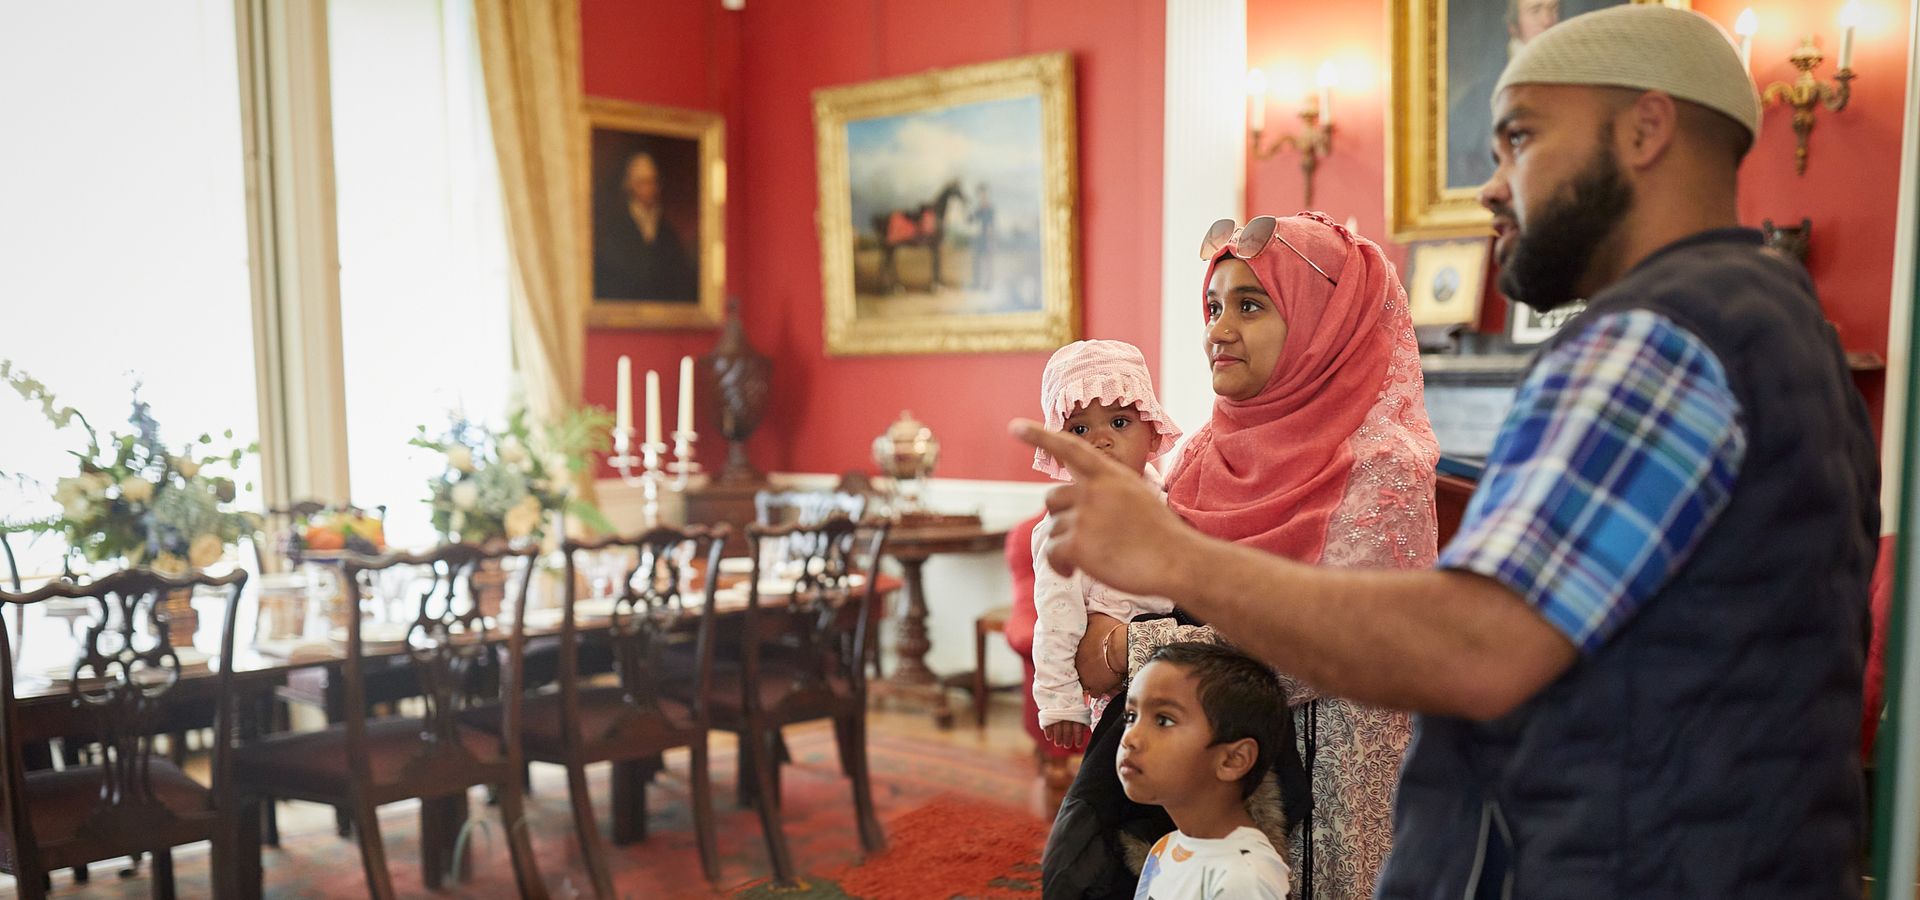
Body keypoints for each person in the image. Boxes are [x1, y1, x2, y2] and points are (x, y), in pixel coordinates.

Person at [1016, 6, 1878, 898]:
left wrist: (1167, 561)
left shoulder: (1657, 343)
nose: (1493, 186)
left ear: (1644, 129)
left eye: (1518, 138)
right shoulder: (1772, 316)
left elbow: (1475, 645)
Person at [1074, 212, 1435, 900]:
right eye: (1213, 306)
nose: (1217, 329)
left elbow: (1325, 644)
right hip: (1195, 763)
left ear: (1327, 320)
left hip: (1322, 754)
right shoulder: (1204, 451)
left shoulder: (1385, 464)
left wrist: (1134, 650)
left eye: (1250, 305)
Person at [1029, 340, 1182, 750]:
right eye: (1079, 430)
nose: (1101, 441)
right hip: (1116, 689)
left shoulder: (1170, 499)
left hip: (1180, 669)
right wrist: (1059, 701)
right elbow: (1056, 618)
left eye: (1119, 422)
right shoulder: (1068, 524)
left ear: (1152, 431)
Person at [1125, 643, 1295, 900]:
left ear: (1232, 760)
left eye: (1163, 720)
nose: (1130, 738)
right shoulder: (1165, 848)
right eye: (1131, 717)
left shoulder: (1244, 877)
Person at [1448, 0, 1562, 190]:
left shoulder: (1573, 83)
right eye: (1535, 10)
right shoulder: (1478, 97)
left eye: (1553, 9)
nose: (1547, 20)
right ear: (1513, 26)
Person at [593, 151, 699, 302]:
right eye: (642, 182)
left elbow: (679, 278)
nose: (648, 188)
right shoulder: (615, 230)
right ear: (630, 185)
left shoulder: (667, 232)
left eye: (652, 182)